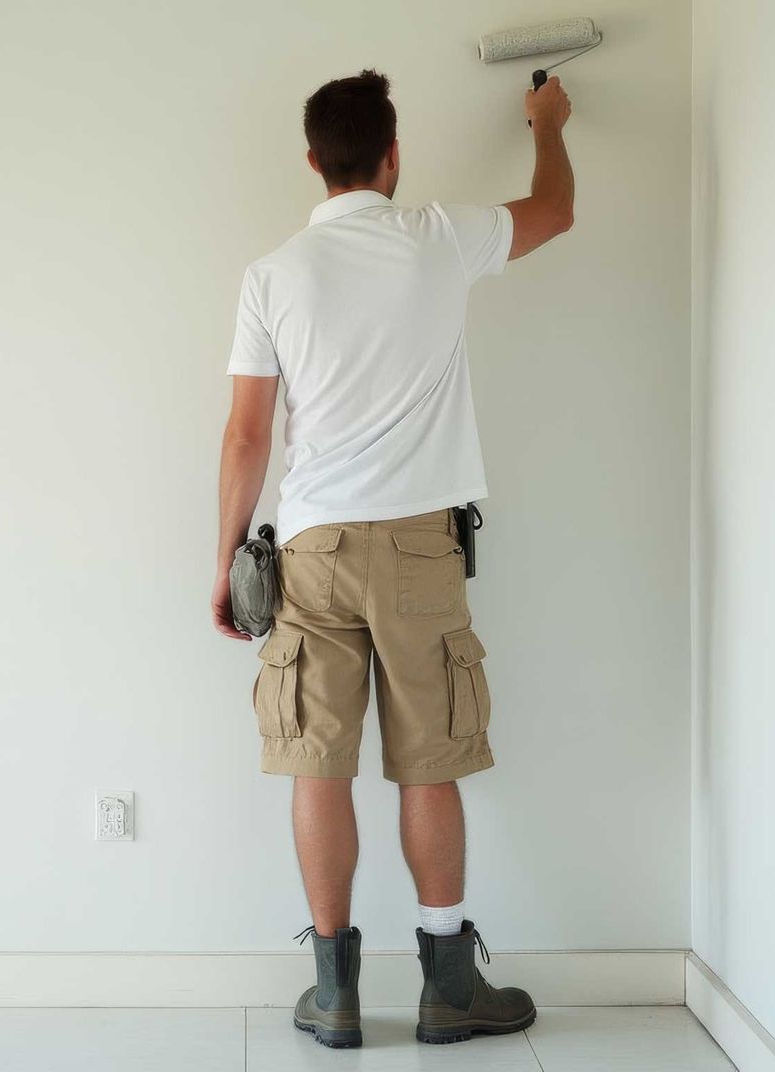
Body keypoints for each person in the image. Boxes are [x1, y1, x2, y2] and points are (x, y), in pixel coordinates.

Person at [211, 68, 575, 1047]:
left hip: (313, 544)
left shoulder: (272, 273)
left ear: (312, 162)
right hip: (420, 542)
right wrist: (546, 123)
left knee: (316, 766)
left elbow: (248, 438)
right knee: (428, 764)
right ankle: (448, 986)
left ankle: (333, 992)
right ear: (393, 154)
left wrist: (222, 563)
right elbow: (555, 211)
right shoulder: (438, 239)